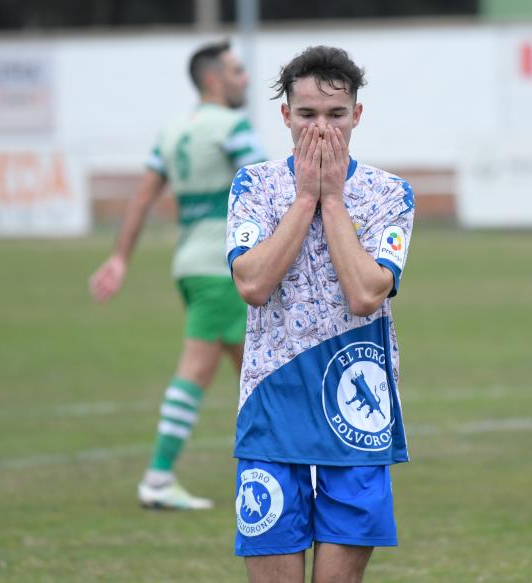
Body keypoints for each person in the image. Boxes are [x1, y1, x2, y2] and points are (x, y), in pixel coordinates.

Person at [225, 46, 415, 582]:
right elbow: (254, 283)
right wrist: (304, 196)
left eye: (335, 115)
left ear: (357, 115)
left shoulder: (388, 195)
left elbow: (365, 294)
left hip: (358, 413)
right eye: (307, 115)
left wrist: (332, 201)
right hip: (272, 409)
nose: (321, 129)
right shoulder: (254, 187)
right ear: (285, 115)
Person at [88, 41, 266, 510]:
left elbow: (143, 196)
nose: (245, 78)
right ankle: (162, 477)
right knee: (256, 375)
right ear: (213, 80)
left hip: (189, 266)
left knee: (244, 372)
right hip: (224, 268)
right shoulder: (232, 128)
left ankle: (170, 477)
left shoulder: (171, 132)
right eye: (236, 71)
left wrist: (120, 257)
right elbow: (270, 188)